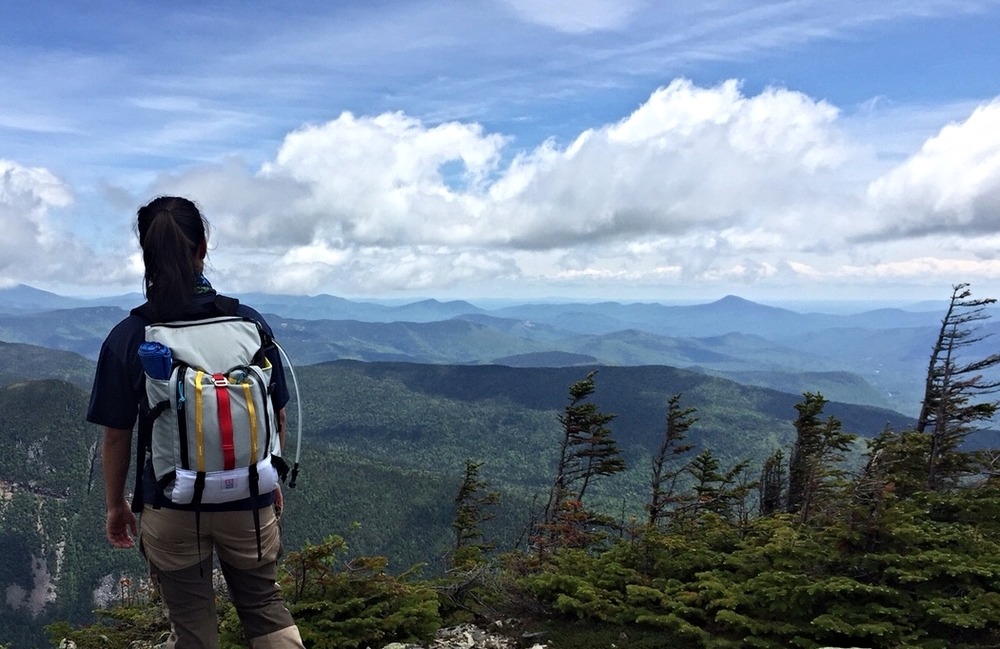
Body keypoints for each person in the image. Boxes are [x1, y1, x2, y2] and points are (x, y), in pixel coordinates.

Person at [87, 196, 304, 649]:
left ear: (146, 255)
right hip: (250, 499)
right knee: (264, 605)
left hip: (171, 505)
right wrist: (268, 475)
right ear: (203, 246)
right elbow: (276, 410)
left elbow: (116, 435)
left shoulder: (131, 335)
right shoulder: (249, 323)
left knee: (192, 624)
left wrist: (116, 505)